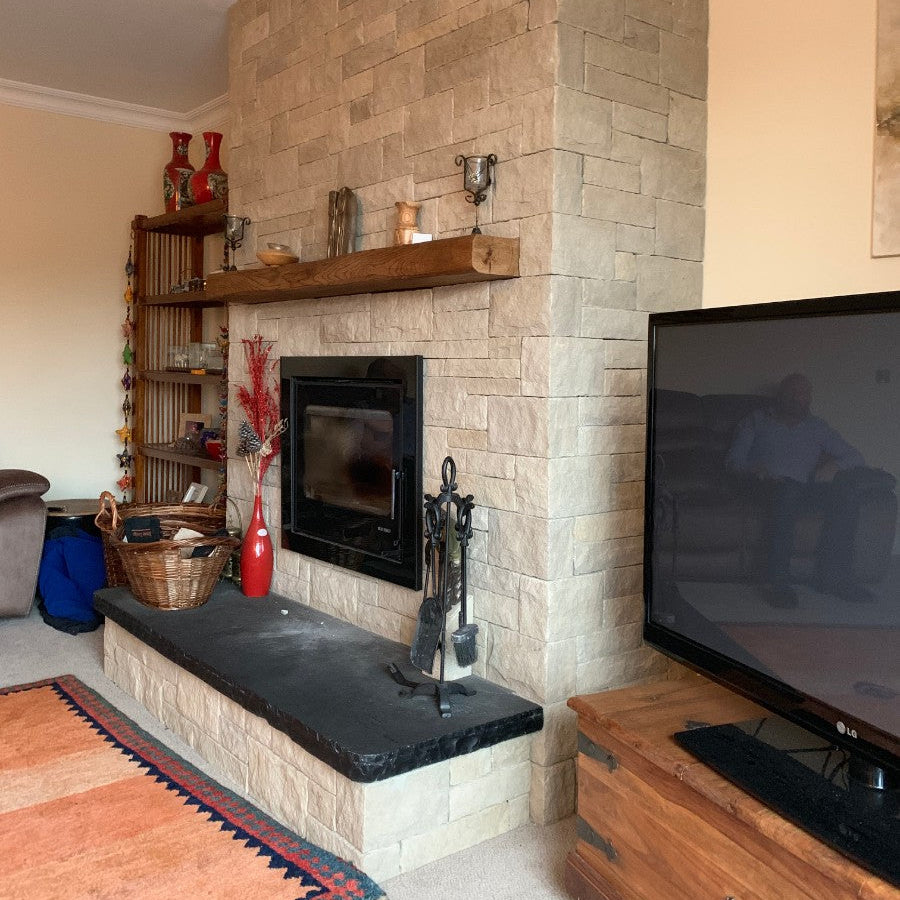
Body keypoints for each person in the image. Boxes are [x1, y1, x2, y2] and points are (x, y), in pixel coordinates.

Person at [725, 373, 870, 607]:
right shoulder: (757, 420)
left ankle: (835, 579)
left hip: (805, 489)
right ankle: (779, 584)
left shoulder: (818, 427)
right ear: (780, 395)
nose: (797, 398)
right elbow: (734, 460)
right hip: (764, 486)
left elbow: (855, 456)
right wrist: (754, 469)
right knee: (788, 492)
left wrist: (834, 466)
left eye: (803, 393)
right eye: (792, 392)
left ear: (809, 398)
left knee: (848, 493)